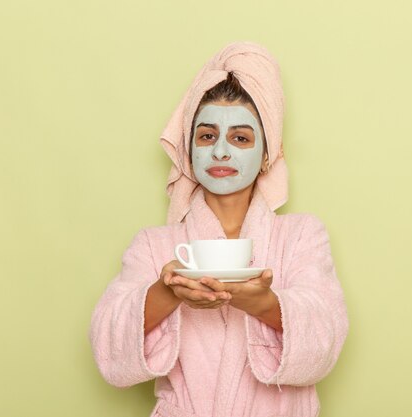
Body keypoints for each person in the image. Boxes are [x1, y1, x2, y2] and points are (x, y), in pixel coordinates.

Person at [90, 42, 349, 417]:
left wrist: (260, 303)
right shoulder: (154, 245)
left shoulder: (301, 236)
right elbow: (108, 350)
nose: (221, 152)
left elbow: (326, 338)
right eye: (207, 136)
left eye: (240, 138)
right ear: (189, 150)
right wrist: (167, 292)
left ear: (266, 154)